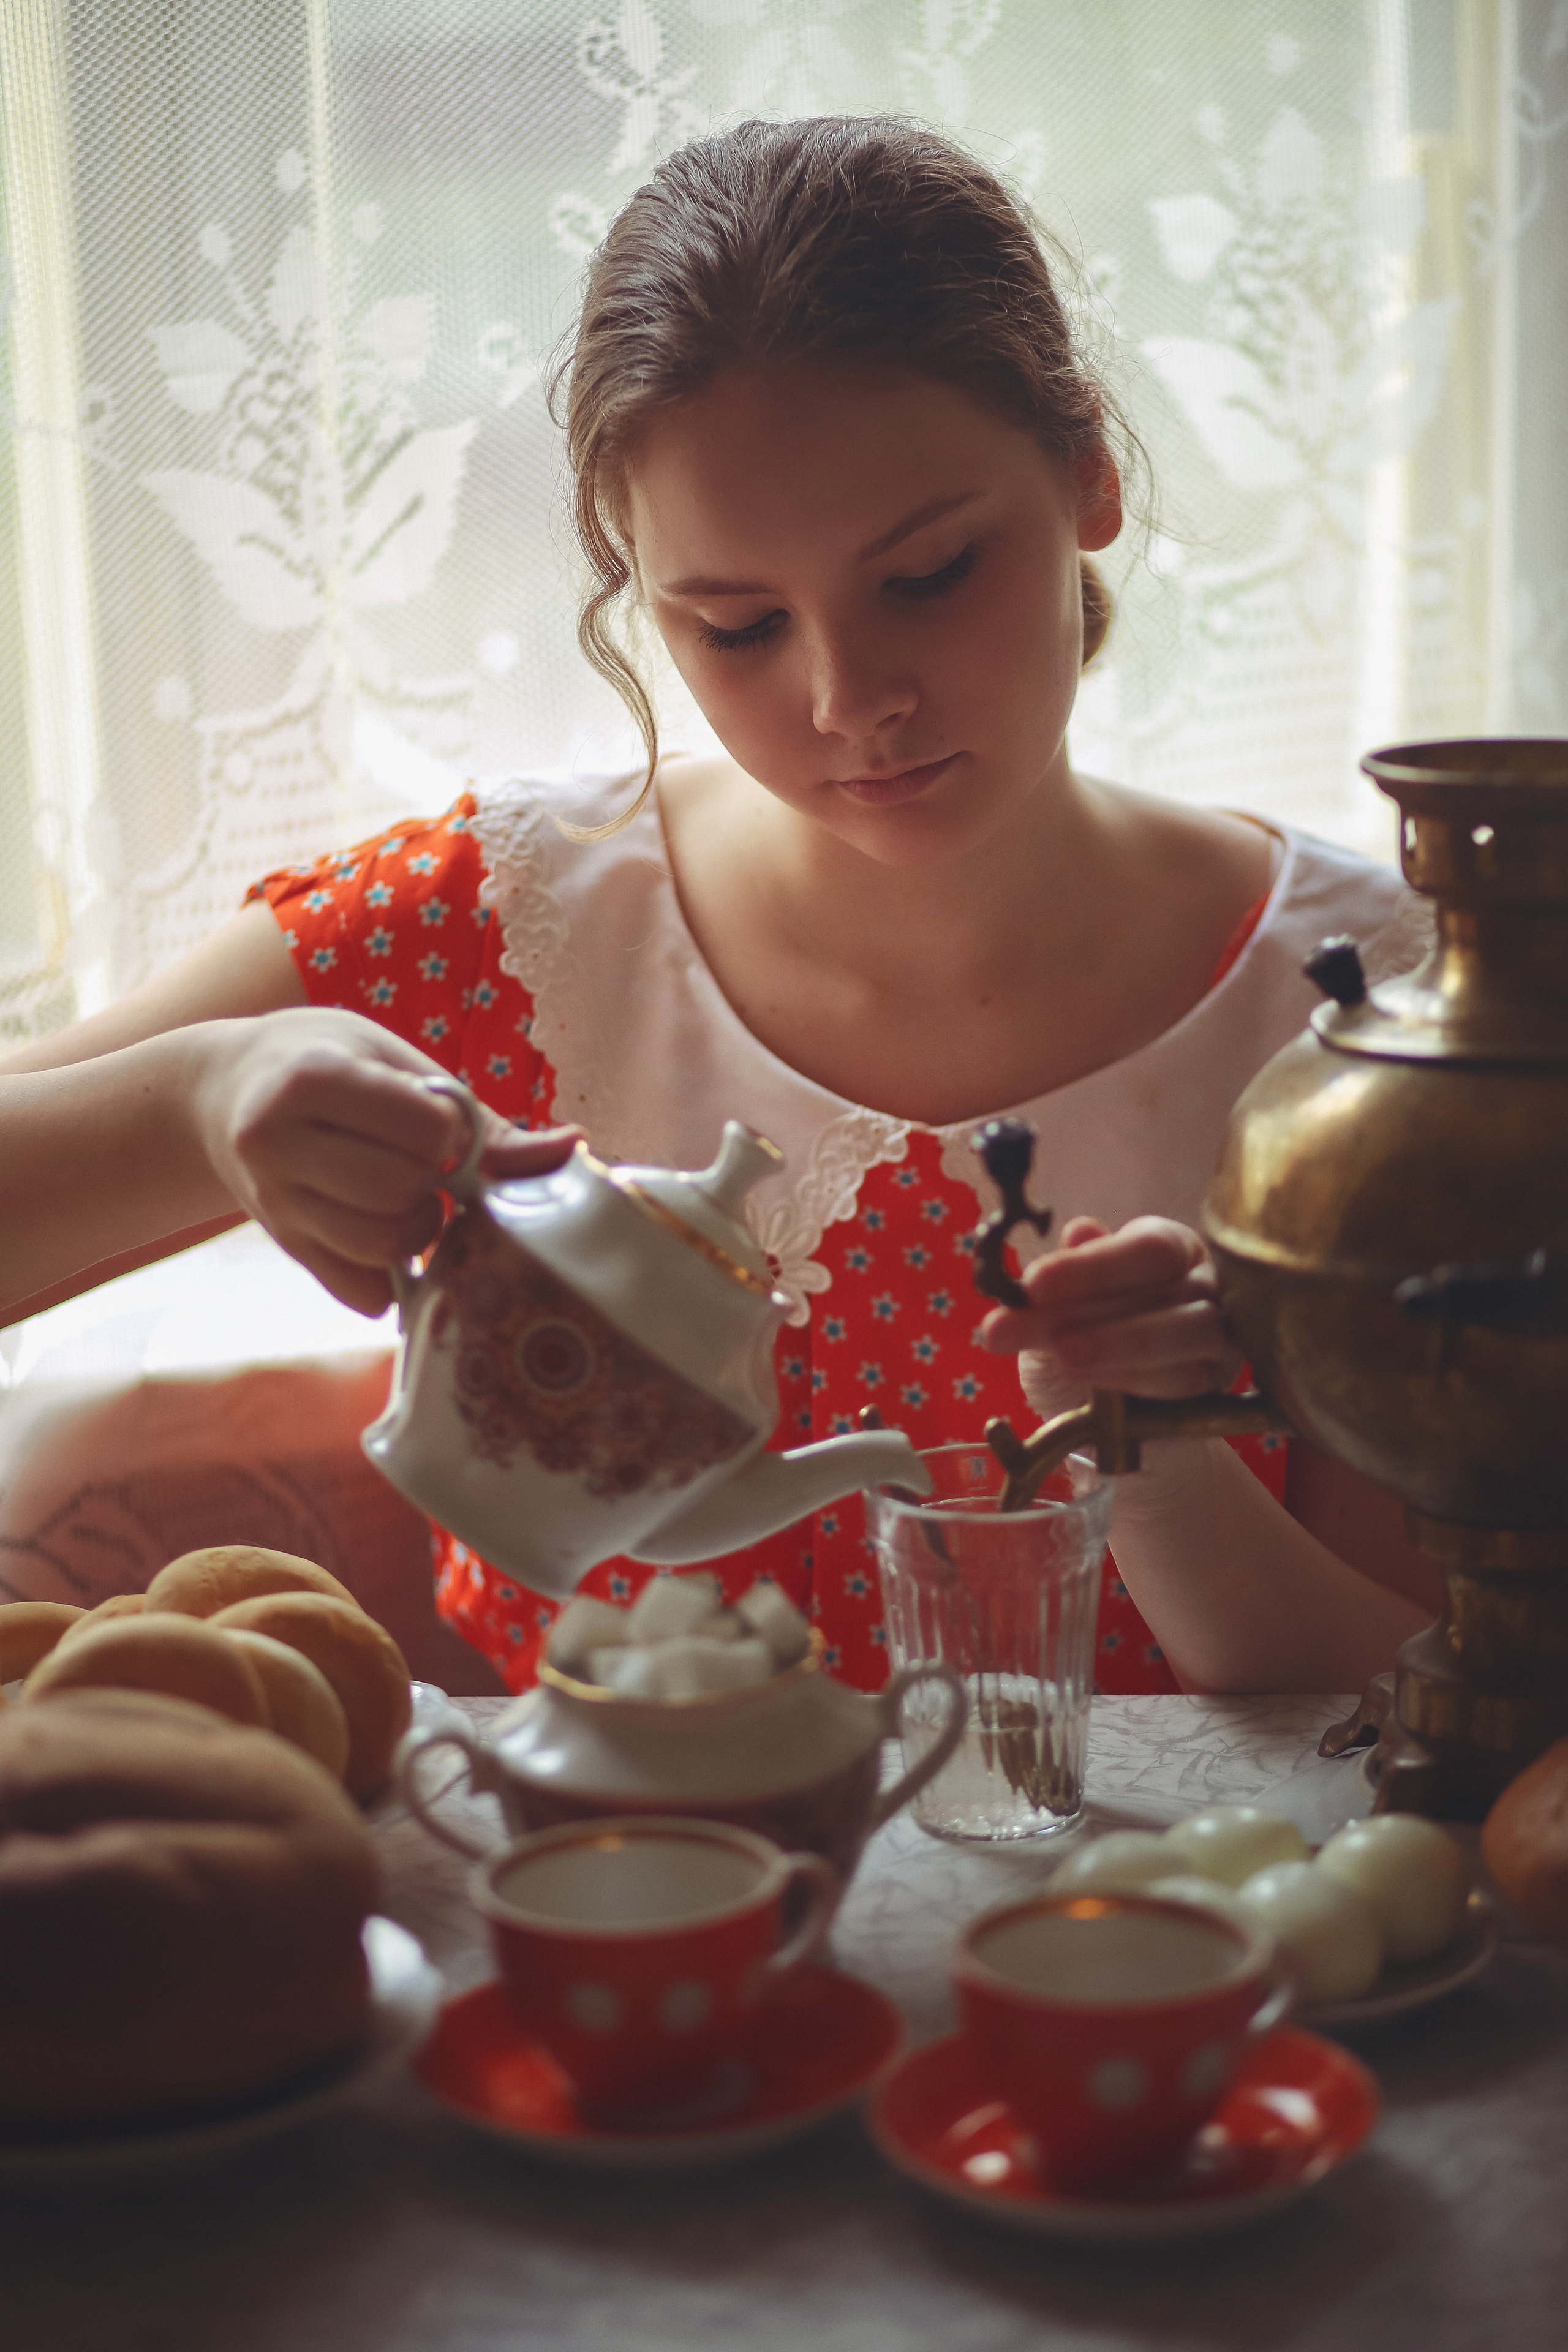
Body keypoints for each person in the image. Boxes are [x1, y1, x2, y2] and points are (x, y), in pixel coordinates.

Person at [0, 116, 1439, 1700]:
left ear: (1089, 473)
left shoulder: (1382, 1017)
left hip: (1167, 1948)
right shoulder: (511, 933)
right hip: (606, 1928)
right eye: (737, 626)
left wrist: (1154, 1460)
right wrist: (200, 1103)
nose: (852, 702)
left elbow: (1429, 1729)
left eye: (929, 574)